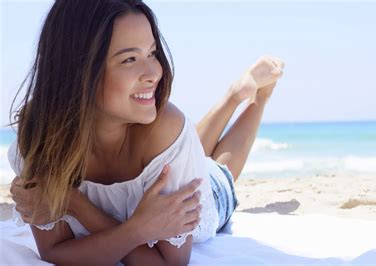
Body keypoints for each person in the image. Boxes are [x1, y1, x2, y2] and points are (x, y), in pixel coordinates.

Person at [8, 0, 284, 265]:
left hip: (200, 186)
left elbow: (167, 264)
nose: (154, 71)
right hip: (171, 157)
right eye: (129, 58)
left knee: (219, 172)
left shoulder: (167, 130)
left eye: (152, 53)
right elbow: (54, 252)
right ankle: (234, 95)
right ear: (76, 70)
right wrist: (136, 229)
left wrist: (72, 203)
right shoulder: (40, 136)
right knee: (188, 152)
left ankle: (255, 98)